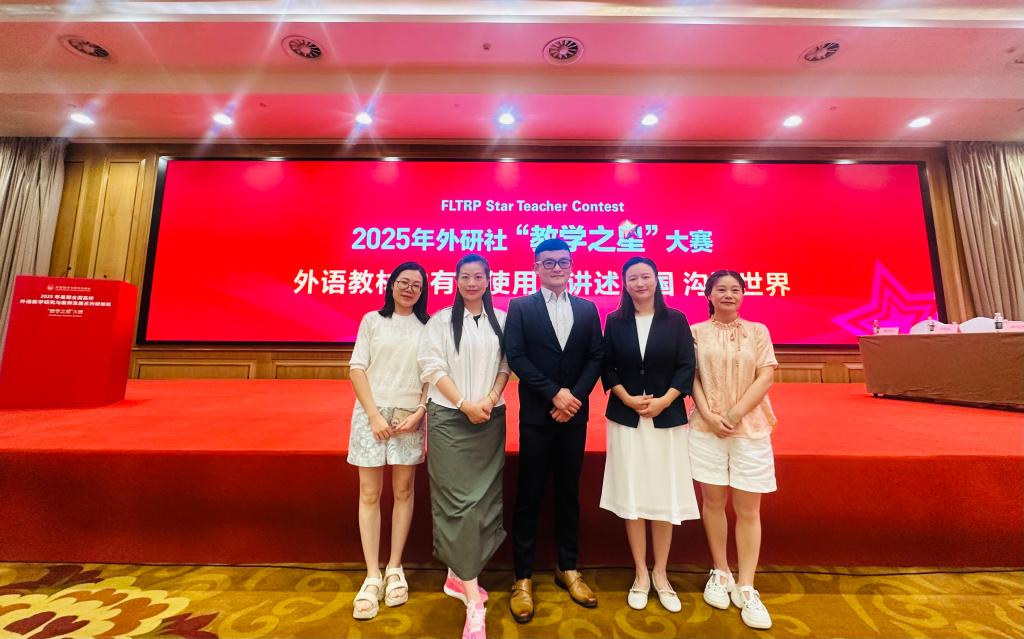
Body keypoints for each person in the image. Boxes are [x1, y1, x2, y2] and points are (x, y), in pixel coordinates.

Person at [505, 238, 603, 623]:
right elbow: (517, 356)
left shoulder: (587, 308)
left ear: (572, 266)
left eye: (563, 262)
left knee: (568, 494)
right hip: (537, 416)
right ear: (536, 267)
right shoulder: (520, 307)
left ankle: (568, 568)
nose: (557, 268)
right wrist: (554, 394)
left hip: (573, 416)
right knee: (528, 496)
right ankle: (522, 577)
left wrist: (573, 398)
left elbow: (596, 356)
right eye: (549, 263)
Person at [417, 253, 510, 639]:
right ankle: (474, 601)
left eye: (478, 277)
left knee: (484, 502)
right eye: (465, 277)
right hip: (450, 418)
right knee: (457, 502)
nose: (472, 283)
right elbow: (431, 367)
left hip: (489, 417)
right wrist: (463, 404)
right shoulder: (440, 321)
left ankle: (458, 575)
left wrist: (489, 398)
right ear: (455, 281)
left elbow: (505, 365)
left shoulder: (501, 319)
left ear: (488, 280)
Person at [599, 256, 699, 613]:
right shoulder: (615, 321)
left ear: (657, 280)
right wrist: (626, 397)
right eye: (633, 278)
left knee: (663, 493)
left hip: (665, 418)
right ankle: (641, 573)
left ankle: (661, 574)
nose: (640, 283)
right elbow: (607, 366)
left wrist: (665, 400)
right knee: (633, 493)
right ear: (624, 284)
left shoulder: (676, 320)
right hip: (626, 419)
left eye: (645, 277)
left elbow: (686, 366)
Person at [688, 269, 778, 630]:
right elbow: (691, 377)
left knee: (748, 508)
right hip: (705, 428)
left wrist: (735, 413)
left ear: (743, 295)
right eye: (721, 289)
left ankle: (747, 584)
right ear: (708, 295)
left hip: (750, 429)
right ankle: (721, 570)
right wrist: (710, 416)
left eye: (735, 289)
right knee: (712, 502)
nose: (728, 294)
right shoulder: (695, 332)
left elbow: (766, 375)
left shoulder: (758, 331)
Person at [348, 262, 431, 620]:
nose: (409, 289)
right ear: (391, 284)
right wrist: (374, 415)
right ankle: (372, 575)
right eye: (404, 282)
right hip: (372, 414)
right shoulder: (372, 321)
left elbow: (431, 375)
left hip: (409, 416)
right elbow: (357, 368)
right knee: (369, 493)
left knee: (403, 491)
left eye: (417, 285)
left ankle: (395, 567)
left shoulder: (429, 327)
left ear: (423, 291)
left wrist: (420, 411)